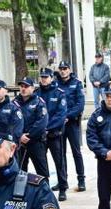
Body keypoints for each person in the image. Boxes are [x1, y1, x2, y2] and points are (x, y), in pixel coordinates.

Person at [38, 68, 69, 200]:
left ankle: (62, 188)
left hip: (54, 134)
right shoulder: (36, 93)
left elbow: (61, 115)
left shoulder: (59, 93)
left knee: (59, 162)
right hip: (40, 135)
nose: (43, 79)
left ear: (51, 78)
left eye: (46, 77)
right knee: (41, 164)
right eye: (42, 77)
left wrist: (47, 127)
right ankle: (44, 189)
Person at [56, 61, 87, 193]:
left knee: (76, 153)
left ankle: (81, 180)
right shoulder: (55, 83)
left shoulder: (77, 83)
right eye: (61, 69)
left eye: (65, 68)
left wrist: (67, 116)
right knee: (60, 154)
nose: (63, 71)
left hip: (72, 123)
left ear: (69, 70)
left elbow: (80, 104)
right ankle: (63, 181)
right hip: (59, 125)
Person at [15, 77, 50, 180]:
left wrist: (28, 135)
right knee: (20, 172)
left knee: (42, 172)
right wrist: (20, 135)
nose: (23, 89)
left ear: (33, 88)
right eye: (21, 86)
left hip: (36, 142)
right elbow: (11, 123)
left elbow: (41, 122)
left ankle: (44, 194)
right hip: (20, 142)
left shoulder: (39, 102)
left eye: (26, 86)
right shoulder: (14, 103)